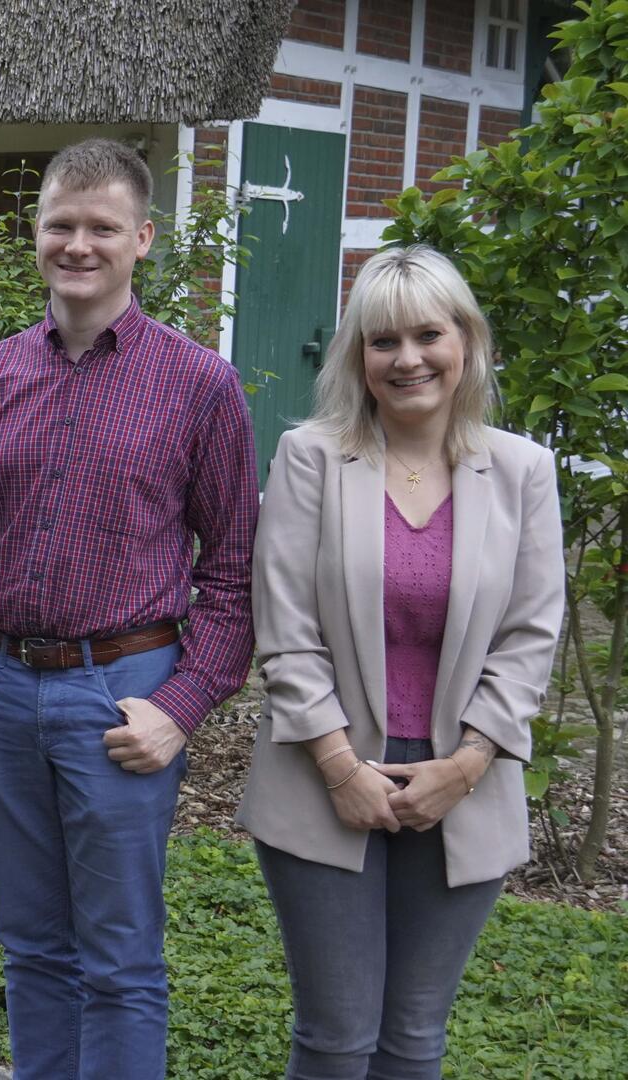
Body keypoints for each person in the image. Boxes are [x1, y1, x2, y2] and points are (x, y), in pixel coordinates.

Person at [0, 137, 259, 1079]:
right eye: (60, 225)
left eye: (101, 227)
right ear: (37, 234)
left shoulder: (200, 386)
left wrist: (179, 710)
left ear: (143, 238)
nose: (79, 244)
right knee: (31, 949)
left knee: (119, 961)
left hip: (123, 697)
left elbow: (234, 578)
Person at [237, 245, 562, 1079]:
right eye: (384, 341)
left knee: (414, 1041)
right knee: (336, 1041)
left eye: (429, 335)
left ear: (467, 342)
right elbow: (286, 626)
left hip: (466, 783)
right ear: (358, 355)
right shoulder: (312, 457)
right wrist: (342, 767)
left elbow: (531, 635)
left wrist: (468, 762)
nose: (408, 358)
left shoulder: (524, 471)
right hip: (323, 775)